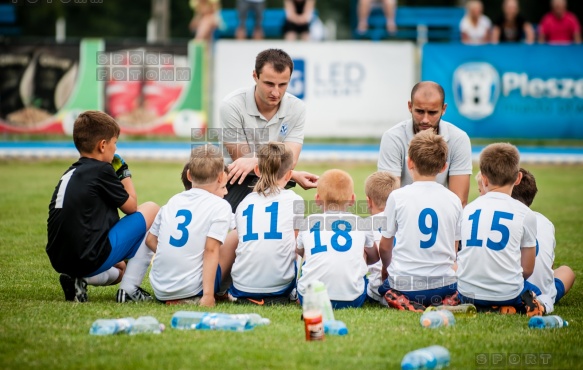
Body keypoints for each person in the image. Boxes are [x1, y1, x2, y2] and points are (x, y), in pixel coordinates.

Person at [46, 110, 159, 303]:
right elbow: (131, 207)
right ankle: (130, 291)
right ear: (103, 145)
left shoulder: (70, 172)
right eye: (115, 142)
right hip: (87, 256)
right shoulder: (102, 169)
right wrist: (124, 173)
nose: (115, 148)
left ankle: (79, 279)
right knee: (152, 209)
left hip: (60, 258)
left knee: (120, 270)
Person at [220, 48, 318, 212]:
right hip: (237, 180)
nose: (275, 92)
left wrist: (256, 160)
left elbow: (291, 160)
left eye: (282, 85)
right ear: (255, 76)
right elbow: (241, 160)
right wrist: (293, 175)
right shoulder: (231, 105)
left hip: (276, 178)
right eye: (269, 84)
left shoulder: (297, 108)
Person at [456, 143, 545, 316]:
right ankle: (518, 304)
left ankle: (484, 306)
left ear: (484, 179)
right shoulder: (525, 214)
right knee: (535, 290)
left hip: (467, 294)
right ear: (518, 178)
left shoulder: (467, 210)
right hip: (508, 294)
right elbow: (527, 269)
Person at [378, 130, 462, 311]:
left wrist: (386, 267)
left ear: (409, 162)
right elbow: (454, 250)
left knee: (381, 288)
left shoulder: (397, 196)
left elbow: (385, 246)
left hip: (405, 286)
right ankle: (447, 300)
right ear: (444, 167)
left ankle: (401, 299)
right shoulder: (454, 200)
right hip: (444, 286)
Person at [146, 144, 232, 307]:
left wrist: (179, 255)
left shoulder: (173, 201)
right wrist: (208, 296)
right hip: (193, 288)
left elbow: (150, 240)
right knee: (234, 237)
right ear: (221, 178)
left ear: (189, 175)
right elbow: (211, 250)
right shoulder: (220, 206)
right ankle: (220, 291)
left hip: (160, 289)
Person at [228, 142, 304, 304]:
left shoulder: (244, 203)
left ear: (257, 170)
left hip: (242, 286)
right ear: (289, 175)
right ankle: (294, 290)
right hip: (280, 286)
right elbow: (298, 246)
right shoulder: (296, 200)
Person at [377, 81, 472, 207]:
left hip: (442, 216)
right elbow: (388, 197)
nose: (425, 120)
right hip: (403, 216)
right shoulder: (393, 137)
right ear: (410, 106)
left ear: (443, 109)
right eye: (420, 111)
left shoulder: (459, 139)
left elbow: (459, 201)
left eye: (432, 113)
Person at [296, 169, 380, 309]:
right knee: (363, 249)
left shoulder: (308, 221)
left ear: (317, 199)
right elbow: (374, 257)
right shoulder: (361, 222)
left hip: (309, 298)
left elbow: (298, 252)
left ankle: (306, 284)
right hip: (352, 299)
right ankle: (348, 283)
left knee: (306, 249)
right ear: (352, 199)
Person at [511, 168, 575, 314]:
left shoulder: (507, 219)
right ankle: (541, 300)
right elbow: (549, 267)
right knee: (566, 271)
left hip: (513, 287)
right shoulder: (545, 222)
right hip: (544, 293)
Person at [363, 171, 398, 305]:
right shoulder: (404, 220)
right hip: (405, 285)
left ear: (368, 201)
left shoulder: (365, 225)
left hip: (377, 291)